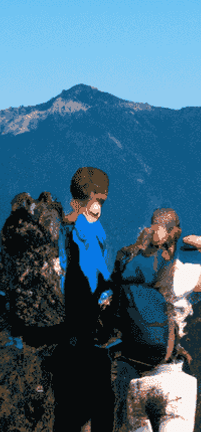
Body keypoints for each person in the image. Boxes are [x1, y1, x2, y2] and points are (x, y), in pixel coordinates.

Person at [111, 207, 201, 432]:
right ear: (175, 236)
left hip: (134, 379)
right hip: (171, 379)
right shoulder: (185, 273)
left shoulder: (132, 271)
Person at [47, 166, 119, 432]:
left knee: (66, 413)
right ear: (86, 198)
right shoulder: (86, 233)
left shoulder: (58, 228)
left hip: (60, 341)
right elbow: (94, 279)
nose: (99, 208)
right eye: (97, 200)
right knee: (92, 415)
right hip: (85, 339)